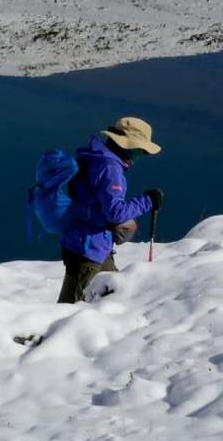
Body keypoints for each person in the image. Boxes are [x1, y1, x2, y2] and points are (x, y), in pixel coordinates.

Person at [58, 116, 163, 304]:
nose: (141, 155)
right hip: (90, 248)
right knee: (79, 312)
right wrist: (147, 201)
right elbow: (115, 212)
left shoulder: (94, 158)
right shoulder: (110, 168)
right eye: (141, 150)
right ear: (128, 146)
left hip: (80, 241)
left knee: (79, 304)